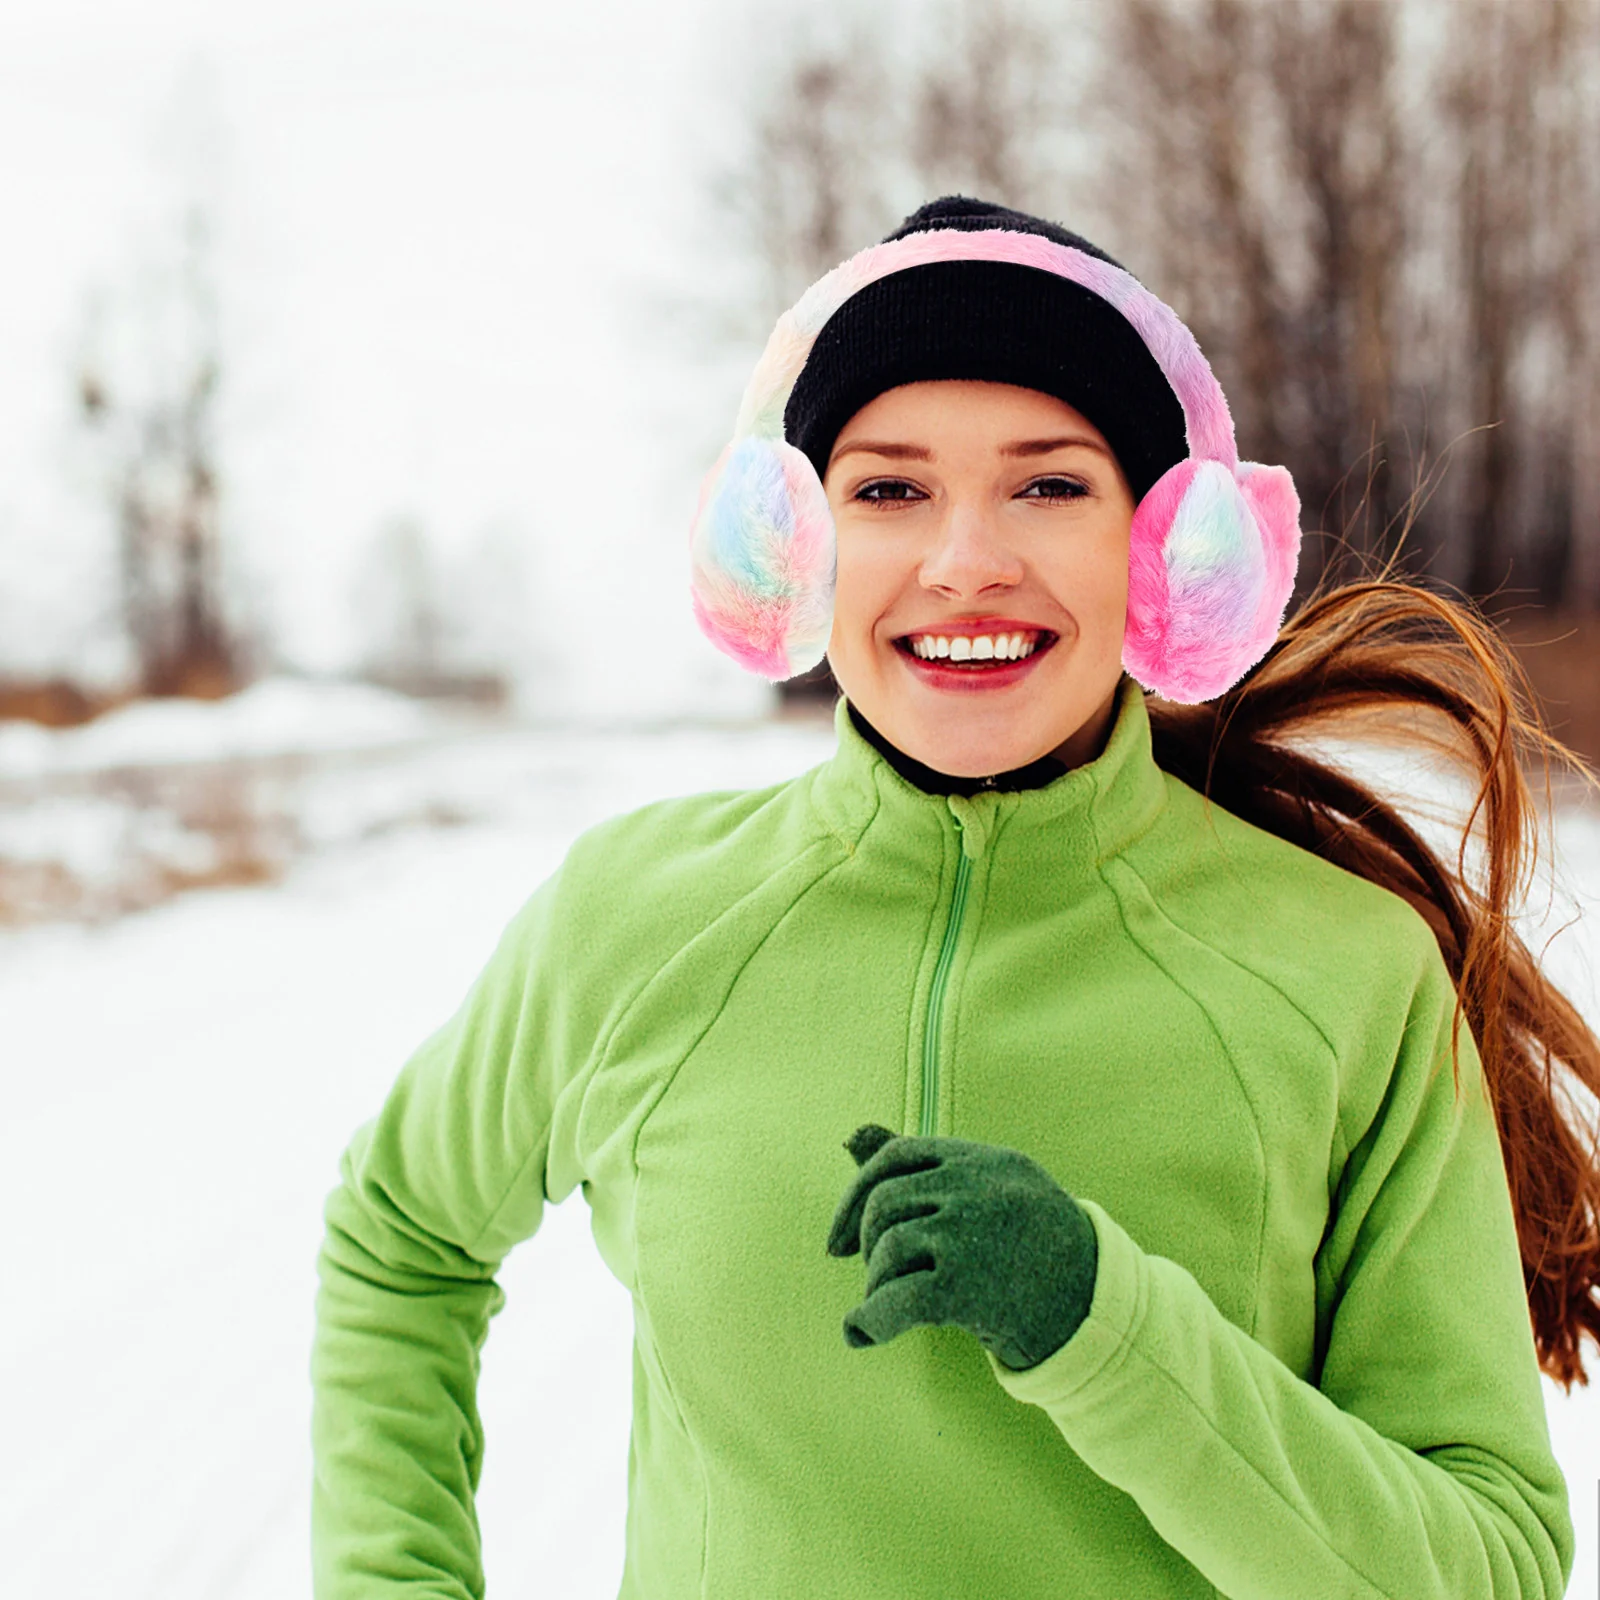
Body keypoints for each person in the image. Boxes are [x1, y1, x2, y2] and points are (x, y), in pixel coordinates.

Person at [310, 196, 1600, 1598]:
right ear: (795, 547)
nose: (965, 559)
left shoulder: (1348, 972)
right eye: (887, 489)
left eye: (1050, 485)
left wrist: (1100, 1325)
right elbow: (399, 1240)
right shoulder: (638, 920)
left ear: (1160, 548)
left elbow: (1494, 1570)